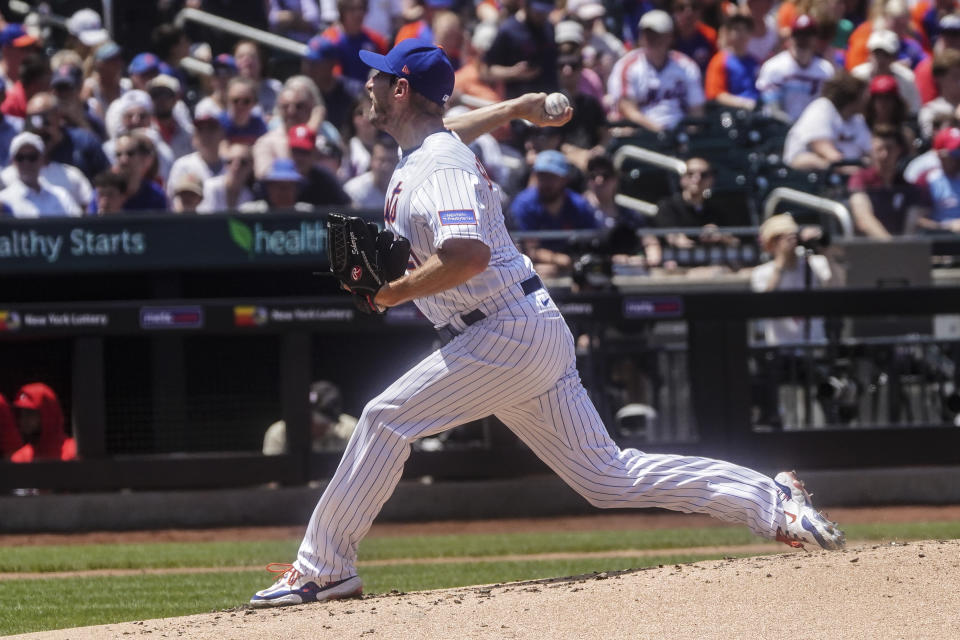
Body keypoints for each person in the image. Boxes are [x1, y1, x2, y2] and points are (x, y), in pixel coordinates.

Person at [249, 40, 845, 608]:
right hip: (519, 326)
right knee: (608, 478)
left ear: (401, 90)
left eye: (379, 76)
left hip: (501, 330)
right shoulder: (431, 147)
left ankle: (323, 568)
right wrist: (519, 109)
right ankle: (772, 500)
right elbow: (450, 130)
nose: (370, 83)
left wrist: (391, 294)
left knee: (385, 418)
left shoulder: (437, 166)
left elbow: (468, 254)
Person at [509, 149, 603, 277]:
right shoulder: (523, 205)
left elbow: (593, 242)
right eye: (542, 176)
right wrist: (556, 260)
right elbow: (523, 248)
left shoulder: (579, 205)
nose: (546, 182)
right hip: (533, 271)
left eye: (552, 177)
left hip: (575, 269)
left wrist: (569, 264)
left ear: (565, 179)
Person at [607, 10, 706, 132]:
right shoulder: (628, 65)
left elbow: (696, 111)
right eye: (647, 34)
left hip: (680, 134)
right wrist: (659, 131)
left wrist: (690, 137)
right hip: (640, 135)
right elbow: (627, 109)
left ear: (670, 36)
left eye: (657, 34)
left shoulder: (686, 66)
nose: (651, 39)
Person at [848, 125, 930, 238]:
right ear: (872, 151)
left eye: (890, 149)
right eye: (879, 149)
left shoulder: (907, 187)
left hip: (903, 250)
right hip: (868, 248)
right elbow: (863, 218)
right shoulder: (860, 178)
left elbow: (912, 225)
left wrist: (904, 249)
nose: (884, 155)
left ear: (899, 150)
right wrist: (891, 246)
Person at [654, 156, 749, 252]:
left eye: (703, 175)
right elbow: (675, 240)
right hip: (677, 264)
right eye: (690, 174)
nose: (697, 178)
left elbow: (738, 244)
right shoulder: (667, 206)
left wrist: (721, 237)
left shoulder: (716, 209)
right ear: (682, 178)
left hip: (714, 262)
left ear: (711, 180)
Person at [782, 72, 872, 171]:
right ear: (853, 95)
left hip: (847, 177)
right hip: (807, 176)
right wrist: (857, 174)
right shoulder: (822, 107)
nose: (868, 99)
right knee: (815, 161)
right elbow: (827, 152)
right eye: (864, 94)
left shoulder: (857, 120)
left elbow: (871, 152)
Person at [756, 15, 835, 122]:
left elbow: (827, 109)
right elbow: (771, 109)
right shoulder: (774, 67)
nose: (802, 40)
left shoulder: (826, 70)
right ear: (790, 38)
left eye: (808, 35)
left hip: (813, 131)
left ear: (815, 40)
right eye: (798, 35)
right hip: (779, 130)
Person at [484, 0, 559, 99]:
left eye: (546, 11)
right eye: (538, 11)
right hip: (519, 102)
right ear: (525, 4)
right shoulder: (508, 30)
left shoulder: (548, 27)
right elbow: (487, 71)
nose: (542, 15)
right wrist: (514, 72)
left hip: (550, 97)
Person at [262, 380, 358, 455]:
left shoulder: (349, 429)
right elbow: (270, 477)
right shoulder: (279, 432)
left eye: (320, 421)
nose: (313, 424)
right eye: (309, 417)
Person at [0, 132, 81, 217]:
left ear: (42, 159)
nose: (26, 163)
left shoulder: (61, 196)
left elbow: (78, 226)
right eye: (20, 158)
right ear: (13, 161)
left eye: (32, 157)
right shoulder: (3, 200)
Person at [166, 102, 225, 203]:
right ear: (194, 137)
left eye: (211, 129)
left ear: (222, 134)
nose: (206, 135)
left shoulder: (234, 164)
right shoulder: (182, 165)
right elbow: (173, 203)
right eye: (201, 130)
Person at [7, 382, 77, 463]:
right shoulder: (20, 459)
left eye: (30, 413)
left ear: (48, 414)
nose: (24, 420)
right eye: (21, 414)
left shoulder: (74, 453)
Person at [705, 14, 761, 110]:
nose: (741, 33)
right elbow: (716, 94)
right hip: (731, 114)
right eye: (737, 29)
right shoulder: (719, 60)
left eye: (745, 30)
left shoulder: (755, 61)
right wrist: (744, 103)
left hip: (756, 111)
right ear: (728, 33)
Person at [916, 126, 960, 231]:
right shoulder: (927, 181)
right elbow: (918, 220)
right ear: (940, 155)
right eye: (954, 153)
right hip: (939, 241)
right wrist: (948, 227)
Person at [113, 130, 168, 213]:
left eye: (130, 153)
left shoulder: (156, 195)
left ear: (144, 158)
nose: (123, 160)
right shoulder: (103, 192)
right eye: (118, 154)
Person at [343, 133, 398, 208]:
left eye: (391, 161)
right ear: (371, 160)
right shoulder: (353, 191)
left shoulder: (405, 190)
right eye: (381, 160)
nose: (386, 166)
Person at [198, 143, 255, 213]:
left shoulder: (248, 194)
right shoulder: (211, 187)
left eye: (243, 162)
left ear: (251, 166)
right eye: (230, 161)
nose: (236, 167)